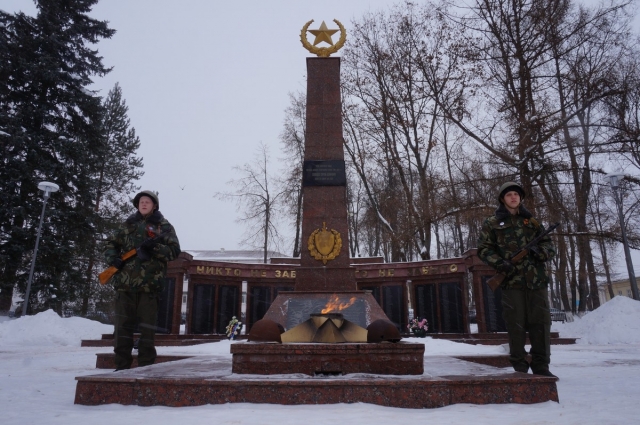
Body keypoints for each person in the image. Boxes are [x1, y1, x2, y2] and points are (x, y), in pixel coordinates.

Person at [477, 182, 557, 378]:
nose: (513, 197)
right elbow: (484, 249)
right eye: (509, 195)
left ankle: (541, 366)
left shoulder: (533, 222)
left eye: (516, 194)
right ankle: (520, 366)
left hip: (536, 282)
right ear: (502, 199)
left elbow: (549, 247)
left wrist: (540, 253)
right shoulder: (492, 223)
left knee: (541, 324)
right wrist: (500, 264)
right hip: (511, 282)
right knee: (516, 325)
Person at [104, 190, 181, 371]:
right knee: (122, 329)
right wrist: (113, 259)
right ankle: (121, 367)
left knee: (147, 331)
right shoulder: (128, 225)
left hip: (149, 287)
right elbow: (110, 244)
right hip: (124, 285)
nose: (144, 204)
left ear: (154, 205)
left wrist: (154, 248)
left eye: (147, 201)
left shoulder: (164, 227)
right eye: (141, 202)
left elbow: (174, 251)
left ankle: (146, 368)